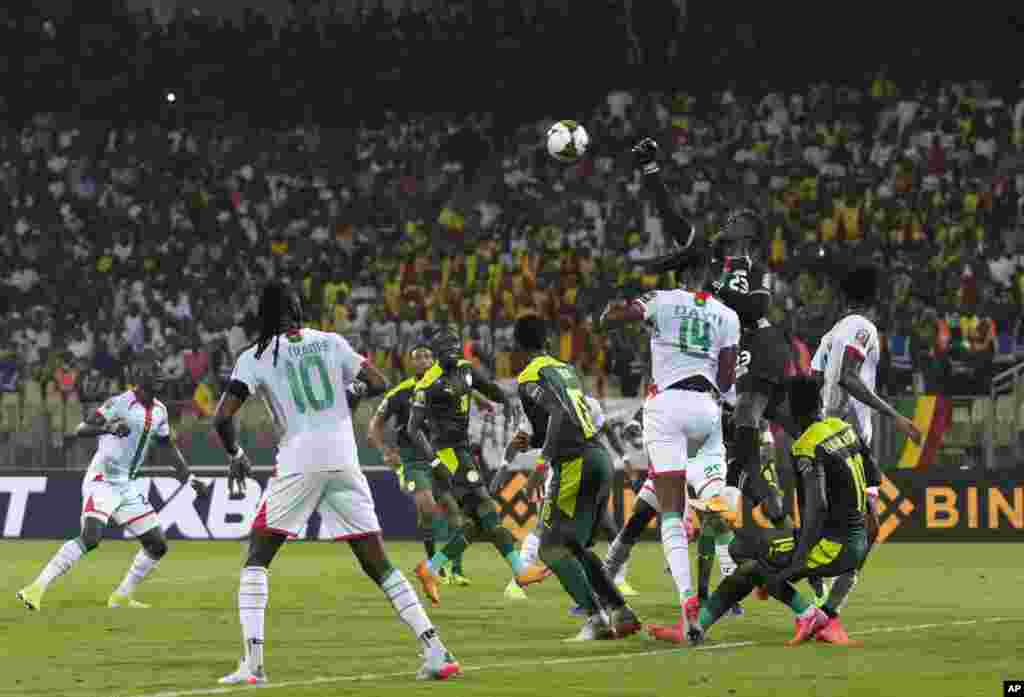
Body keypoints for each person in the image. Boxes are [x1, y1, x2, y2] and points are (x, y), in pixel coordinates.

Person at [212, 282, 460, 685]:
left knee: (257, 556)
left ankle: (253, 665)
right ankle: (436, 650)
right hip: (345, 460)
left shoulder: (253, 357)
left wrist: (236, 456)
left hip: (299, 461)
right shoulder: (331, 342)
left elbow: (222, 418)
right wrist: (349, 393)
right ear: (297, 309)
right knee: (377, 562)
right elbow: (377, 381)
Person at [632, 137, 795, 527]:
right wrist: (651, 171)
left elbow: (757, 307)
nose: (727, 221)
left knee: (745, 417)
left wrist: (715, 291)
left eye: (736, 220)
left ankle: (746, 490)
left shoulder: (752, 266)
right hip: (733, 349)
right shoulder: (709, 255)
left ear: (749, 233)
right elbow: (672, 218)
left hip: (760, 341)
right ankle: (774, 514)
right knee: (747, 435)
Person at [600, 253, 740, 646]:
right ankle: (725, 545)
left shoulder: (660, 300)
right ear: (706, 275)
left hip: (667, 408)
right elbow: (728, 381)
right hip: (708, 411)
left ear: (677, 275)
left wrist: (625, 306)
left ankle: (688, 604)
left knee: (670, 514)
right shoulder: (727, 315)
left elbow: (613, 320)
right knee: (700, 492)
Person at [688, 375, 881, 646]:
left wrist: (798, 561)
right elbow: (874, 476)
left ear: (793, 410)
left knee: (745, 556)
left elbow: (818, 507)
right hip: (857, 540)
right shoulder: (843, 427)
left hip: (833, 546)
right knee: (749, 561)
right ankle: (699, 627)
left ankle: (807, 613)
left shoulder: (807, 446)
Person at [17, 358, 209, 611]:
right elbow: (81, 428)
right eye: (155, 372)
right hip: (103, 479)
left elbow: (167, 447)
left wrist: (189, 478)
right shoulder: (120, 403)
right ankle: (35, 588)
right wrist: (109, 427)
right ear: (142, 379)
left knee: (157, 544)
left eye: (161, 372)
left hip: (127, 484)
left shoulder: (160, 411)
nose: (160, 376)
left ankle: (121, 597)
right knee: (91, 537)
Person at [504, 315, 641, 640]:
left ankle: (596, 618)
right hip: (598, 458)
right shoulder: (566, 369)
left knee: (550, 549)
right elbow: (567, 416)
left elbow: (559, 412)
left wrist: (541, 463)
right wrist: (533, 440)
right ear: (546, 341)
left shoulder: (529, 376)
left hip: (574, 463)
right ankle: (621, 612)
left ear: (518, 346)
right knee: (576, 547)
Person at [806, 264, 923, 615]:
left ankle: (821, 594)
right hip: (849, 442)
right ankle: (826, 607)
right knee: (867, 529)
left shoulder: (831, 334)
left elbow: (815, 378)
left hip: (828, 435)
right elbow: (847, 376)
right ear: (875, 296)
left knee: (841, 522)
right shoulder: (863, 328)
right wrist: (894, 415)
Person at [410, 327, 544, 606]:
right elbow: (414, 429)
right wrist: (434, 462)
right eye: (446, 350)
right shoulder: (427, 384)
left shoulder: (466, 370)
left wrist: (507, 402)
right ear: (437, 354)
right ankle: (520, 571)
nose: (452, 354)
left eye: (455, 348)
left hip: (463, 450)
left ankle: (430, 569)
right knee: (486, 507)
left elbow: (490, 388)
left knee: (474, 523)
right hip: (447, 454)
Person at [367, 343, 466, 586]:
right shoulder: (400, 393)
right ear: (412, 363)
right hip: (412, 460)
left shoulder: (444, 388)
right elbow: (374, 427)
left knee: (454, 512)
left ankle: (456, 569)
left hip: (439, 457)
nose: (423, 360)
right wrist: (385, 451)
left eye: (427, 355)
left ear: (434, 361)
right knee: (429, 508)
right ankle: (433, 565)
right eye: (418, 357)